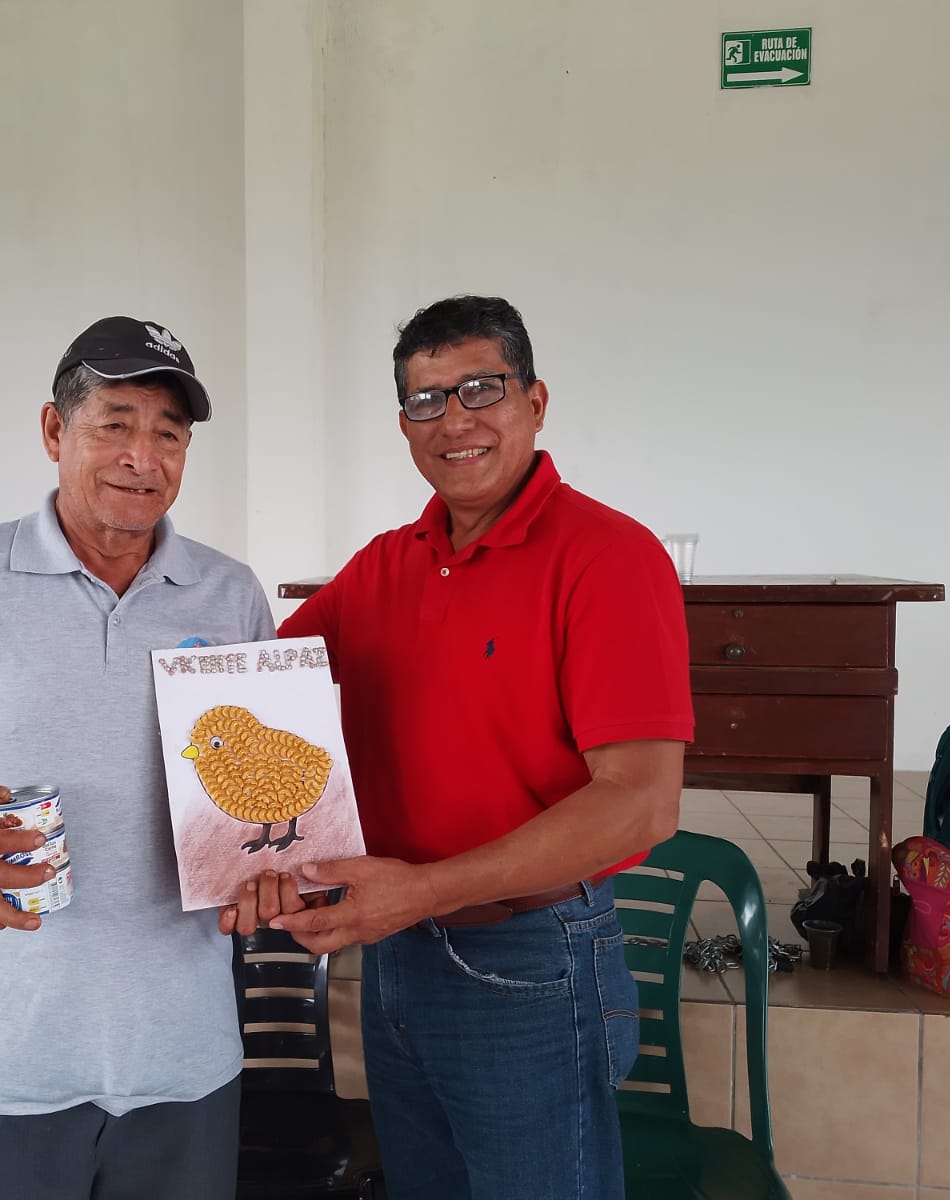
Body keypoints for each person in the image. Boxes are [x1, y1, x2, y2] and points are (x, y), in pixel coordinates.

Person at [250, 295, 694, 1200]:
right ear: (404, 424)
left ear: (535, 400)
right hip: (398, 954)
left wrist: (422, 891)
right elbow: (249, 685)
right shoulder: (386, 564)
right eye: (425, 400)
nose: (454, 420)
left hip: (531, 959)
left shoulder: (607, 556)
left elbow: (641, 803)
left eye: (480, 389)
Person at [0, 315, 275, 1200]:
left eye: (168, 433)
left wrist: (272, 866)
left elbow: (256, 798)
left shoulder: (230, 595)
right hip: (3, 1057)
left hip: (182, 1056)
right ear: (53, 430)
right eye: (115, 423)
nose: (142, 457)